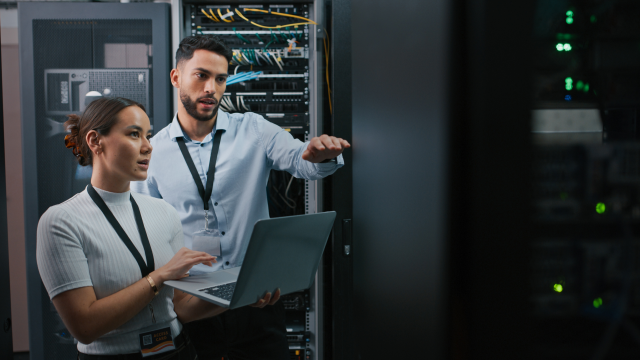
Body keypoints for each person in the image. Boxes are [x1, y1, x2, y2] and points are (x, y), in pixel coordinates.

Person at [130, 35, 350, 359]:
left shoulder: (254, 130)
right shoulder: (154, 151)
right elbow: (145, 233)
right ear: (177, 77)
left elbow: (299, 160)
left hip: (256, 300)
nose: (212, 89)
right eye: (201, 75)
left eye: (220, 79)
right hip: (193, 305)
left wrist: (317, 155)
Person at [36, 97, 279, 360]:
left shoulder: (163, 212)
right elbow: (85, 327)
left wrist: (241, 294)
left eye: (148, 136)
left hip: (179, 350)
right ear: (95, 141)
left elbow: (181, 309)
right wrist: (159, 277)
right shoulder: (61, 222)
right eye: (134, 134)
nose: (148, 147)